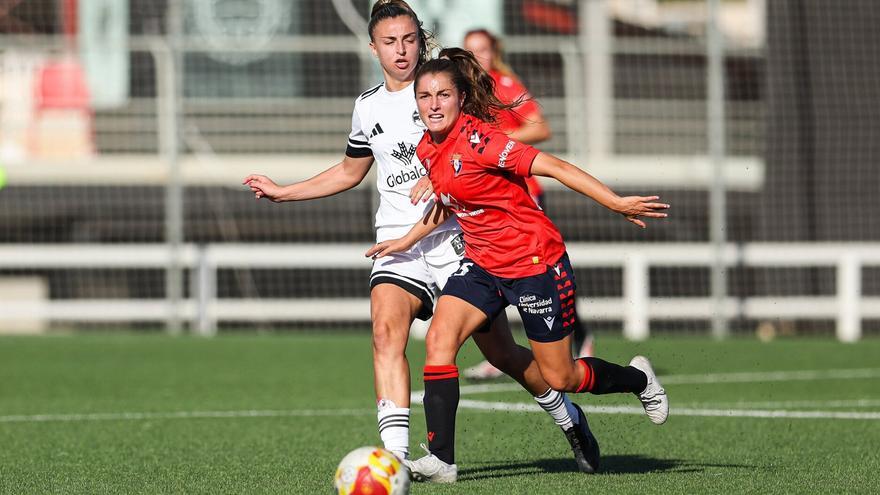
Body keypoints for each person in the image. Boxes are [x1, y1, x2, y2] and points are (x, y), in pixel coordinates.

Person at [243, 0, 597, 473]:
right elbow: (351, 171)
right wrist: (285, 193)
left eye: (409, 39)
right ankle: (395, 460)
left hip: (457, 241)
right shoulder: (367, 107)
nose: (401, 51)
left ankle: (568, 416)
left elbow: (482, 153)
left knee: (503, 353)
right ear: (374, 48)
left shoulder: (443, 92)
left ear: (421, 39)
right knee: (385, 332)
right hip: (397, 244)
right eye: (389, 42)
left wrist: (445, 173)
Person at [367, 48, 670, 482]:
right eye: (425, 96)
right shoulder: (426, 147)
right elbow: (451, 205)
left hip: (534, 263)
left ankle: (637, 380)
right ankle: (442, 461)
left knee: (560, 376)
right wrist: (405, 240)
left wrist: (615, 202)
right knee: (439, 341)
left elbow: (554, 166)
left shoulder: (483, 141)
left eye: (443, 95)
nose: (433, 104)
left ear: (459, 97)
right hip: (481, 266)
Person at [462, 28, 594, 380]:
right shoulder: (464, 93)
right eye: (471, 51)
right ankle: (502, 351)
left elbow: (540, 128)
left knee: (536, 271)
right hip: (485, 193)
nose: (478, 58)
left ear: (495, 51)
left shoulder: (503, 84)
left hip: (521, 191)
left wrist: (494, 143)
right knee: (493, 270)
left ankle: (578, 339)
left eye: (483, 50)